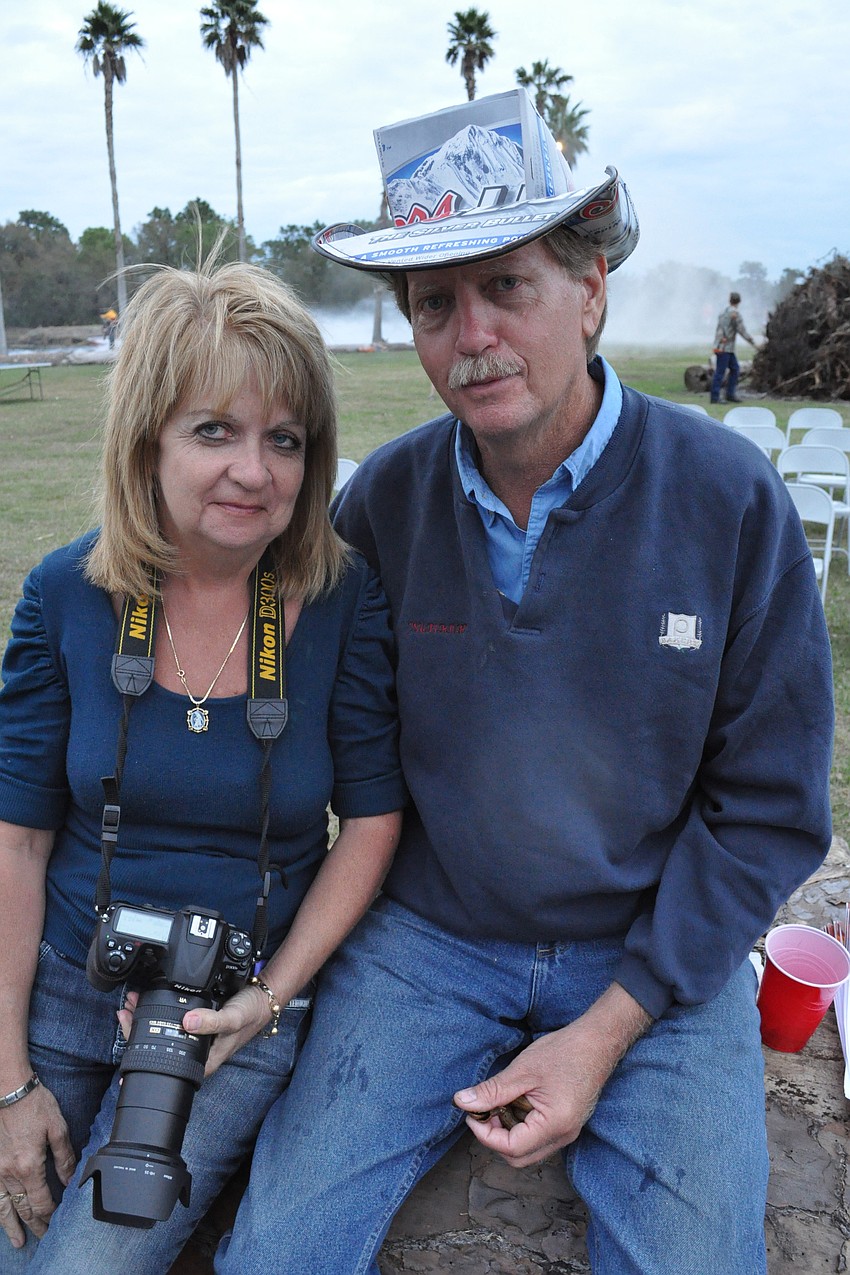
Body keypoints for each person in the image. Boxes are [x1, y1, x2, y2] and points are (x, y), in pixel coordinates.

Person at [210, 93, 833, 1274]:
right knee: (276, 1248)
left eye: (508, 286)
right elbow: (296, 740)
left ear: (590, 289)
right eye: (434, 304)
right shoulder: (382, 510)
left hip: (655, 954)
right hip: (429, 943)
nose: (472, 335)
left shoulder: (728, 501)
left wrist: (607, 1029)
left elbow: (770, 808)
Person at [0, 256, 406, 1272]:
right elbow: (16, 838)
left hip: (234, 1011)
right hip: (60, 988)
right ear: (148, 439)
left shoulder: (343, 599)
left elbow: (372, 820)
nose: (256, 471)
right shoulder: (65, 593)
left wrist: (270, 999)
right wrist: (8, 1081)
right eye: (213, 430)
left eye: (286, 439)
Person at [710, 290, 758, 403]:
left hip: (722, 347)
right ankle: (715, 397)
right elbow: (742, 330)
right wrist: (753, 343)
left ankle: (730, 394)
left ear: (730, 300)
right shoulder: (735, 314)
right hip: (725, 348)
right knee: (720, 372)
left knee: (735, 369)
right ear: (739, 301)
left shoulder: (723, 312)